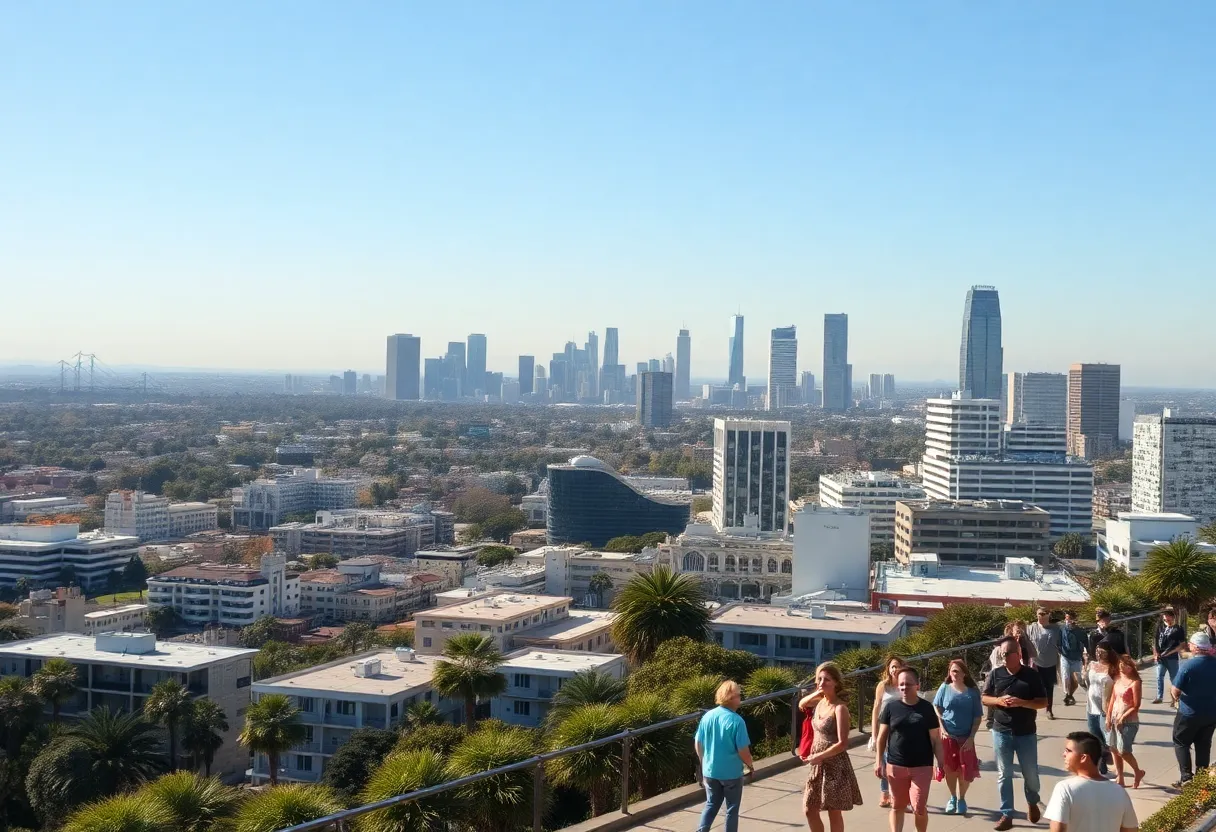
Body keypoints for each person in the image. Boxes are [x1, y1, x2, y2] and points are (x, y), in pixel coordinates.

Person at [983, 634, 1048, 831]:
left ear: (1018, 654)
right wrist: (999, 701)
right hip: (1001, 731)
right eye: (1001, 653)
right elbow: (984, 698)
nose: (1003, 657)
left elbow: (1043, 702)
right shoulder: (995, 674)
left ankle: (1032, 800)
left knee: (1030, 774)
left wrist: (1022, 703)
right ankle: (1007, 814)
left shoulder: (1031, 675)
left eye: (1006, 653)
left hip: (1025, 732)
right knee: (1004, 774)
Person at [875, 667, 944, 832]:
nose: (904, 687)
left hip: (922, 766)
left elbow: (936, 738)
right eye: (901, 684)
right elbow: (882, 737)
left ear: (917, 685)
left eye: (908, 684)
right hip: (895, 765)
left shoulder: (926, 708)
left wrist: (941, 763)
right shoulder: (891, 707)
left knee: (918, 807)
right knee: (897, 806)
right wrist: (878, 761)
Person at [801, 662, 863, 832]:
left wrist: (820, 756)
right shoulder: (820, 702)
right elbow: (802, 704)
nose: (822, 682)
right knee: (809, 810)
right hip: (817, 766)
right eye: (819, 679)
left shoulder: (840, 708)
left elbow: (843, 743)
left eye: (827, 679)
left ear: (836, 682)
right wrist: (819, 691)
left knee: (833, 812)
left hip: (835, 765)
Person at [1043, 732, 1138, 832]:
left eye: (1068, 751)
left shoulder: (1065, 788)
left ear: (1083, 758)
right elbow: (1130, 829)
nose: (1064, 754)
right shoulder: (1119, 792)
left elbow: (1057, 829)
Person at [694, 680, 754, 832]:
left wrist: (703, 762)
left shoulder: (708, 716)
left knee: (711, 804)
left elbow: (698, 743)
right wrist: (750, 765)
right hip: (731, 773)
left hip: (710, 771)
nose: (740, 698)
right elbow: (743, 750)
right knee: (732, 809)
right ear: (731, 698)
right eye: (738, 695)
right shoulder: (737, 721)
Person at [932, 659, 982, 816]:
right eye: (951, 671)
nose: (953, 674)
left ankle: (962, 798)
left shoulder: (972, 693)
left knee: (964, 770)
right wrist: (941, 726)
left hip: (966, 738)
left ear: (964, 674)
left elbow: (977, 717)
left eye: (956, 671)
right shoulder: (944, 688)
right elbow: (936, 706)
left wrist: (972, 737)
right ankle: (953, 797)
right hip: (948, 736)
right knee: (950, 769)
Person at [1171, 630, 1216, 787]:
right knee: (1204, 744)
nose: (1189, 646)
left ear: (1196, 647)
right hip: (1211, 713)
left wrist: (1175, 698)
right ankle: (1201, 779)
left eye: (1190, 644)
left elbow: (1175, 690)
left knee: (1180, 741)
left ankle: (1186, 777)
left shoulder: (1188, 665)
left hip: (1189, 712)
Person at [870, 655, 906, 809]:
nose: (895, 669)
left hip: (900, 728)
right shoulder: (883, 686)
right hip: (884, 727)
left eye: (897, 666)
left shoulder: (905, 684)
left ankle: (893, 793)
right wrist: (874, 733)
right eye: (892, 667)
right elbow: (876, 708)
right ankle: (885, 792)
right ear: (888, 669)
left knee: (893, 761)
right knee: (885, 761)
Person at [1105, 654, 1145, 788]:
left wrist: (1123, 717)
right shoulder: (1117, 680)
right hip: (1114, 718)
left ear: (1131, 667)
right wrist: (1108, 717)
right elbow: (1112, 700)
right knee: (1113, 748)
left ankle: (1137, 771)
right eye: (1120, 664)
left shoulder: (1135, 682)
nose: (1121, 667)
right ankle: (1120, 777)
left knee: (1123, 751)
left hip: (1129, 721)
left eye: (1125, 665)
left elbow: (1136, 705)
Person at [1084, 642, 1116, 776]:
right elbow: (1086, 681)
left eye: (1102, 652)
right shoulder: (1092, 664)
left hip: (1105, 709)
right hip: (1091, 706)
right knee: (1095, 738)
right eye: (1097, 651)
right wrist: (1085, 665)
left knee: (1108, 739)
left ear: (1108, 653)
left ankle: (1115, 763)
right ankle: (1101, 767)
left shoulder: (1113, 668)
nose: (1099, 654)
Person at [1028, 607, 1062, 719]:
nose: (1041, 616)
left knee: (1048, 687)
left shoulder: (1056, 629)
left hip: (1050, 662)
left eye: (1043, 614)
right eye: (1039, 614)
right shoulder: (1031, 628)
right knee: (1033, 686)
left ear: (1049, 615)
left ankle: (1049, 709)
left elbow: (1062, 642)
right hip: (1034, 662)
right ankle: (1032, 709)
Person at [1154, 608, 1186, 706]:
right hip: (1161, 657)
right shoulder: (1160, 628)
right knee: (1159, 676)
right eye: (1164, 619)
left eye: (1168, 619)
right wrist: (1156, 653)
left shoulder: (1178, 629)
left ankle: (1175, 698)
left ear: (1173, 617)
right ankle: (1159, 697)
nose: (1166, 621)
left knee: (1174, 678)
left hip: (1172, 657)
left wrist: (1170, 652)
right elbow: (1155, 641)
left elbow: (1182, 644)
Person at [1059, 611, 1086, 707]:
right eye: (1067, 618)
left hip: (1076, 658)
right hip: (1065, 657)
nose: (1068, 620)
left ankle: (1069, 695)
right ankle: (1067, 694)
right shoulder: (1061, 629)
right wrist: (1060, 650)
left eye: (1070, 618)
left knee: (1076, 680)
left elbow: (1085, 643)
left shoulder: (1080, 631)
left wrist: (1085, 658)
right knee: (1066, 677)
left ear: (1074, 619)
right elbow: (1058, 641)